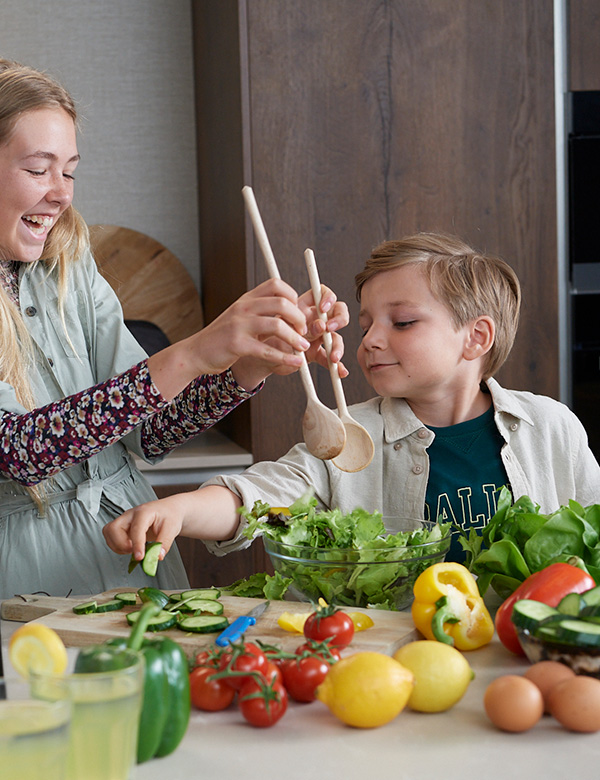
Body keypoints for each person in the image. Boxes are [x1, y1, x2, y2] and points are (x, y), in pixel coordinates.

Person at [0, 58, 349, 600]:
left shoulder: (68, 263)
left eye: (69, 170)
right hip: (23, 577)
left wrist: (246, 360)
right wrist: (193, 352)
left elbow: (149, 430)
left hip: (130, 556)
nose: (62, 194)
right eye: (38, 169)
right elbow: (19, 453)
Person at [104, 232, 600, 569]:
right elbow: (260, 496)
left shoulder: (551, 428)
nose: (371, 340)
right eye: (365, 325)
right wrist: (183, 510)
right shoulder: (347, 438)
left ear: (476, 337)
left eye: (401, 322)